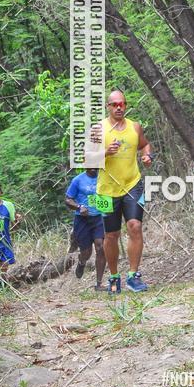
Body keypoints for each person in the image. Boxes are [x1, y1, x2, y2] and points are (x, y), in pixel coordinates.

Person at [94, 90, 153, 294]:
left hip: (132, 184)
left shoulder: (135, 127)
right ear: (108, 107)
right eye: (115, 104)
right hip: (105, 190)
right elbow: (85, 159)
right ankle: (114, 277)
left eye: (122, 104)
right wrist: (105, 153)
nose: (119, 107)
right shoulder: (98, 129)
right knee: (111, 235)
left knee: (134, 226)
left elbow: (145, 146)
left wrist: (147, 157)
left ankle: (133, 276)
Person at [65, 168, 106, 290]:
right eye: (90, 164)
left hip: (99, 218)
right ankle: (82, 262)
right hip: (82, 220)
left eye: (96, 164)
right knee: (86, 252)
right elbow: (68, 199)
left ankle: (99, 284)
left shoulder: (104, 177)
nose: (93, 167)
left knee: (101, 247)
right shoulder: (78, 180)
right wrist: (79, 206)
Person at [0, 185, 21, 276]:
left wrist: (18, 220)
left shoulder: (8, 205)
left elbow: (15, 227)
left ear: (0, 192)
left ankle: (3, 285)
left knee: (3, 268)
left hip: (4, 241)